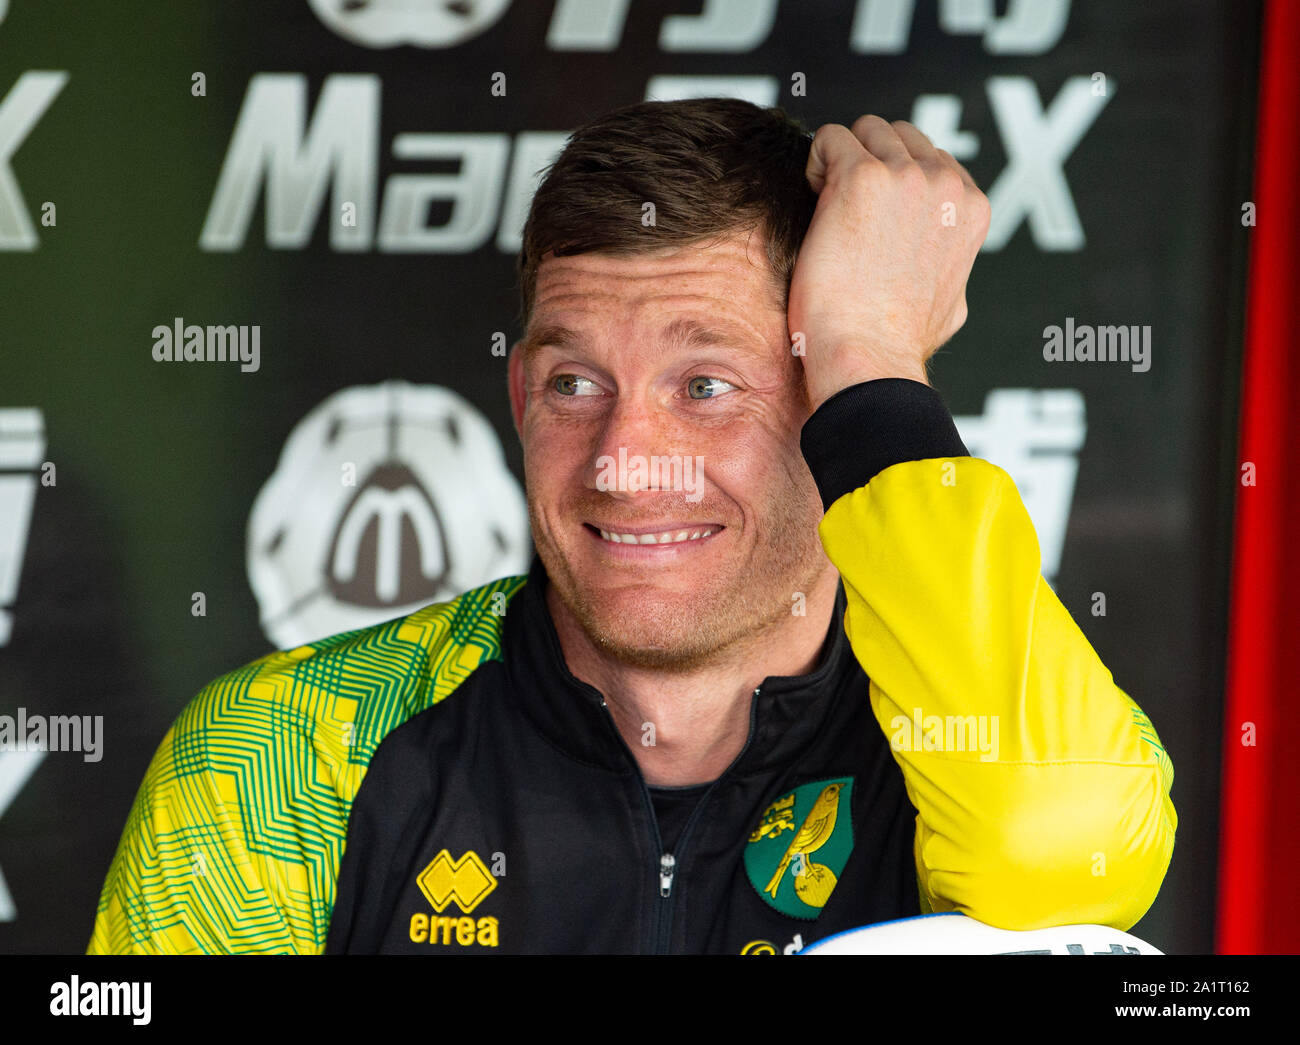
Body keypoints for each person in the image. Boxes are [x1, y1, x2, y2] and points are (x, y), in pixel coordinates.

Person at [88, 98, 1176, 954]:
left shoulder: (953, 754)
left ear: (832, 410)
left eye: (705, 385)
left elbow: (1061, 849)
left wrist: (873, 361)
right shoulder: (281, 756)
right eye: (573, 383)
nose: (622, 460)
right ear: (518, 399)